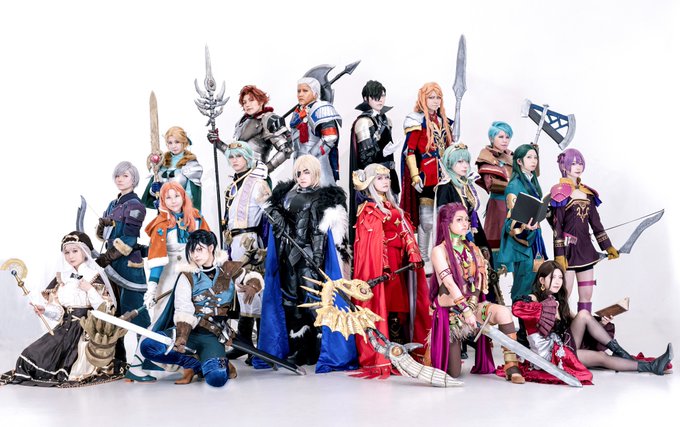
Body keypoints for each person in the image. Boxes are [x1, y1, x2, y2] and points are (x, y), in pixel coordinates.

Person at [511, 261, 673, 384]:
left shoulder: (558, 300)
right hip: (549, 354)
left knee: (583, 314)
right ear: (541, 280)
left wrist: (601, 323)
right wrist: (545, 307)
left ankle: (622, 354)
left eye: (560, 277)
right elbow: (517, 307)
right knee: (601, 357)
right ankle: (651, 366)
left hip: (563, 344)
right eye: (553, 277)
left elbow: (576, 323)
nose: (558, 281)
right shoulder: (533, 298)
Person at [1, 232, 123, 387]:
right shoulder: (62, 277)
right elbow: (60, 311)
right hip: (65, 327)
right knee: (29, 356)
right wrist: (45, 310)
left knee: (71, 367)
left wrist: (90, 290)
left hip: (86, 329)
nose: (70, 256)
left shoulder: (95, 276)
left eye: (75, 251)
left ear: (85, 251)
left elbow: (106, 310)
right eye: (67, 252)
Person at [263, 155, 350, 366]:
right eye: (298, 173)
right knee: (291, 304)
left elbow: (319, 232)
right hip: (288, 257)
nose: (302, 177)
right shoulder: (287, 196)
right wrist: (275, 213)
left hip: (308, 258)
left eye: (306, 172)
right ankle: (301, 348)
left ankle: (320, 348)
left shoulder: (321, 197)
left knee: (314, 304)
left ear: (316, 173)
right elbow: (278, 219)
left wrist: (317, 259)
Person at [428, 204, 525, 384]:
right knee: (453, 372)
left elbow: (479, 279)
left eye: (466, 219)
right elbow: (449, 283)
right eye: (459, 220)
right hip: (451, 314)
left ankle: (511, 366)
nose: (465, 224)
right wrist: (465, 310)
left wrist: (472, 305)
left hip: (473, 308)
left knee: (504, 312)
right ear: (447, 223)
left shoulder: (473, 248)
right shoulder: (439, 251)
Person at [351, 163, 430, 376]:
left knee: (399, 308)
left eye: (387, 177)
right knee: (383, 307)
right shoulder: (369, 210)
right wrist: (384, 265)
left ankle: (400, 351)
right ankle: (385, 355)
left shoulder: (393, 207)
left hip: (398, 266)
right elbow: (374, 243)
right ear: (370, 182)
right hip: (380, 268)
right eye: (379, 178)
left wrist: (412, 251)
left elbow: (405, 231)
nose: (385, 181)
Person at [140, 230, 244, 386]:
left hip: (213, 336)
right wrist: (182, 337)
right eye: (192, 251)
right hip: (189, 332)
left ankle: (219, 364)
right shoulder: (187, 275)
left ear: (211, 248)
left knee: (216, 379)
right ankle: (192, 364)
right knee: (149, 346)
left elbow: (248, 277)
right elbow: (183, 308)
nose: (195, 255)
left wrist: (252, 285)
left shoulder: (228, 269)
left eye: (199, 249)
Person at [95, 161, 151, 381]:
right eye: (117, 176)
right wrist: (103, 227)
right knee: (114, 314)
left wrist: (106, 258)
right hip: (112, 265)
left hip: (128, 267)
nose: (120, 179)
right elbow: (105, 237)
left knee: (137, 315)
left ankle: (144, 363)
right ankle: (118, 363)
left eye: (125, 176)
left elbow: (128, 241)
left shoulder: (136, 205)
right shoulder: (113, 204)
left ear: (133, 179)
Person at [548, 148, 618, 313]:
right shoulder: (559, 192)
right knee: (563, 295)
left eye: (580, 163)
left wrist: (607, 246)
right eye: (573, 163)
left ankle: (583, 324)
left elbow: (596, 224)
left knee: (586, 295)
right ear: (564, 166)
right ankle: (560, 326)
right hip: (568, 251)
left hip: (586, 250)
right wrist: (559, 254)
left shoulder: (588, 193)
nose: (577, 167)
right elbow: (557, 227)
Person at [220, 141, 269, 364]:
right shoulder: (233, 184)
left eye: (238, 156)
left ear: (248, 157)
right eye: (231, 157)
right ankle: (244, 342)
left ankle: (261, 347)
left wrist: (264, 248)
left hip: (250, 243)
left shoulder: (258, 183)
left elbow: (271, 216)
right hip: (233, 243)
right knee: (240, 292)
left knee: (253, 291)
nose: (234, 160)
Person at [400, 82, 454, 274]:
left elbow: (449, 147)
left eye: (438, 97)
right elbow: (409, 151)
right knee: (427, 220)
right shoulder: (416, 120)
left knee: (445, 218)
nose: (435, 101)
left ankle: (443, 258)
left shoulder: (444, 121)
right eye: (431, 97)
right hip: (426, 175)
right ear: (423, 99)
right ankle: (423, 259)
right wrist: (415, 176)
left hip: (445, 175)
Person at [144, 182, 210, 326]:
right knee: (162, 316)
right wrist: (152, 289)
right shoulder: (161, 224)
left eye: (176, 196)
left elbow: (209, 248)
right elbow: (157, 259)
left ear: (183, 196)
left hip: (194, 273)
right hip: (170, 275)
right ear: (163, 200)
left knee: (199, 313)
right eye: (168, 198)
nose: (173, 201)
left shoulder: (197, 218)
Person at [349, 80, 400, 245]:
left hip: (389, 175)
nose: (380, 100)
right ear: (366, 98)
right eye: (375, 97)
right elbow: (365, 157)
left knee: (393, 217)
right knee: (375, 222)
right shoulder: (364, 122)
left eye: (382, 96)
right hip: (372, 180)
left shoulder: (386, 120)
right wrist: (382, 153)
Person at [497, 143, 548, 302]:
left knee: (536, 283)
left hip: (535, 238)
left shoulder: (532, 181)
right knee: (523, 284)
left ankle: (532, 317)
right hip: (522, 242)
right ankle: (521, 317)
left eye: (535, 157)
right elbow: (511, 221)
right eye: (529, 157)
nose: (534, 161)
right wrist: (525, 226)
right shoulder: (514, 186)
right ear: (519, 161)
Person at [207, 85, 292, 175]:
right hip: (241, 176)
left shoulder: (268, 119)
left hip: (258, 178)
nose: (247, 104)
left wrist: (265, 169)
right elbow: (236, 153)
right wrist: (218, 142)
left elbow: (286, 150)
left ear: (261, 101)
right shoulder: (242, 122)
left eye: (251, 100)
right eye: (244, 102)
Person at [436, 143, 490, 258]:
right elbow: (443, 220)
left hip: (471, 233)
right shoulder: (445, 187)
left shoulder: (466, 184)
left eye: (466, 162)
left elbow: (472, 214)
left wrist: (481, 242)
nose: (465, 166)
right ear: (449, 163)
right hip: (455, 239)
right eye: (460, 162)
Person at [289, 77, 342, 186]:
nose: (300, 94)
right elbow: (295, 139)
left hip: (318, 166)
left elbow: (330, 137)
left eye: (305, 91)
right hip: (299, 168)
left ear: (315, 93)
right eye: (299, 91)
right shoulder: (298, 112)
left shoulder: (321, 108)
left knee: (322, 194)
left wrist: (310, 157)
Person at [475, 121, 514, 259]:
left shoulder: (512, 156)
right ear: (492, 138)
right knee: (496, 248)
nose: (505, 140)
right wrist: (514, 185)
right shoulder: (486, 157)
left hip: (515, 206)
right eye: (500, 137)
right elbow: (491, 184)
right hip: (498, 206)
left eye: (507, 137)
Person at [142, 126, 203, 210]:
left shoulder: (190, 163)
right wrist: (153, 190)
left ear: (183, 142)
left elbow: (191, 195)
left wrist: (175, 207)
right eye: (170, 143)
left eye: (177, 142)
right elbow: (154, 195)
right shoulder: (162, 162)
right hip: (164, 211)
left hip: (183, 212)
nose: (173, 146)